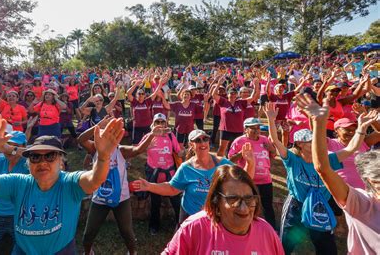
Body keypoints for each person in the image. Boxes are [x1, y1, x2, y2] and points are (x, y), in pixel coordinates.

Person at [0, 114, 126, 255]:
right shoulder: (17, 183)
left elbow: (94, 180)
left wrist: (103, 157)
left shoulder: (70, 183)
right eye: (35, 157)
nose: (42, 162)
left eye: (50, 156)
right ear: (28, 163)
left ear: (61, 161)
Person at [264, 101, 375, 255]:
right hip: (296, 206)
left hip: (321, 207)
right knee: (286, 244)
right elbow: (275, 141)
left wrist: (361, 128)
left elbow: (351, 149)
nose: (317, 143)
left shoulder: (326, 159)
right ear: (300, 144)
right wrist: (270, 119)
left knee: (326, 248)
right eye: (311, 141)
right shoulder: (291, 159)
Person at [298, 93, 380, 255]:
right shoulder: (331, 144)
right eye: (346, 129)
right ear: (336, 130)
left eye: (352, 128)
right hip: (342, 192)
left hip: (360, 192)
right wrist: (319, 122)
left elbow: (354, 146)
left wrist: (363, 127)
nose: (350, 131)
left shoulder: (360, 142)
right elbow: (322, 163)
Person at [132, 129, 255, 224]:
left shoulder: (222, 164)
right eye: (198, 140)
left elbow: (244, 180)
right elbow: (172, 188)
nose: (202, 143)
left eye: (205, 139)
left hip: (216, 217)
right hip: (190, 216)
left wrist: (250, 163)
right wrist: (149, 186)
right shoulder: (186, 168)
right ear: (191, 144)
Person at [162, 165, 284, 255]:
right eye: (233, 199)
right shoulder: (194, 228)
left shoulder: (266, 232)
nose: (243, 208)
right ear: (216, 202)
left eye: (249, 199)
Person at [77, 118, 156, 255]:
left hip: (121, 199)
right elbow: (81, 140)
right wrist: (96, 126)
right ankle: (88, 252)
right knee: (89, 233)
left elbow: (138, 150)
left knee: (127, 232)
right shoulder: (95, 149)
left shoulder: (121, 151)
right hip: (100, 199)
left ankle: (132, 252)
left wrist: (152, 134)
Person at [228, 117, 277, 229]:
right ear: (245, 129)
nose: (256, 130)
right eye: (253, 128)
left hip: (265, 180)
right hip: (248, 181)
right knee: (247, 207)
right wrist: (241, 154)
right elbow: (230, 160)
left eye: (258, 128)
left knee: (268, 207)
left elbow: (273, 156)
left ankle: (273, 231)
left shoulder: (264, 139)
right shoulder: (239, 141)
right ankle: (246, 228)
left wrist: (272, 149)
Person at [143, 113, 182, 235]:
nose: (160, 125)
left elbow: (179, 153)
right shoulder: (148, 137)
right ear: (153, 124)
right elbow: (137, 151)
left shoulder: (171, 136)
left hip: (169, 174)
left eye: (162, 122)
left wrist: (188, 151)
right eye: (157, 122)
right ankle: (154, 226)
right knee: (155, 202)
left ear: (166, 123)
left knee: (176, 201)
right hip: (154, 174)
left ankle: (181, 225)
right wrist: (146, 146)